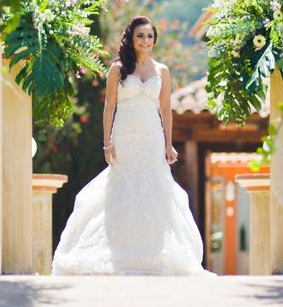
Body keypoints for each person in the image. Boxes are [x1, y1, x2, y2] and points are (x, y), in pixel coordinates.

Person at [52, 16, 213, 276]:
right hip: (124, 135)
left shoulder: (162, 71)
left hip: (152, 136)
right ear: (131, 37)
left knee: (154, 189)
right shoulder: (118, 69)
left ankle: (153, 250)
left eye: (150, 36)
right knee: (123, 188)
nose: (145, 40)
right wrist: (107, 143)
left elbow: (165, 110)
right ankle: (118, 251)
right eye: (140, 35)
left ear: (154, 40)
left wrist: (168, 144)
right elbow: (110, 106)